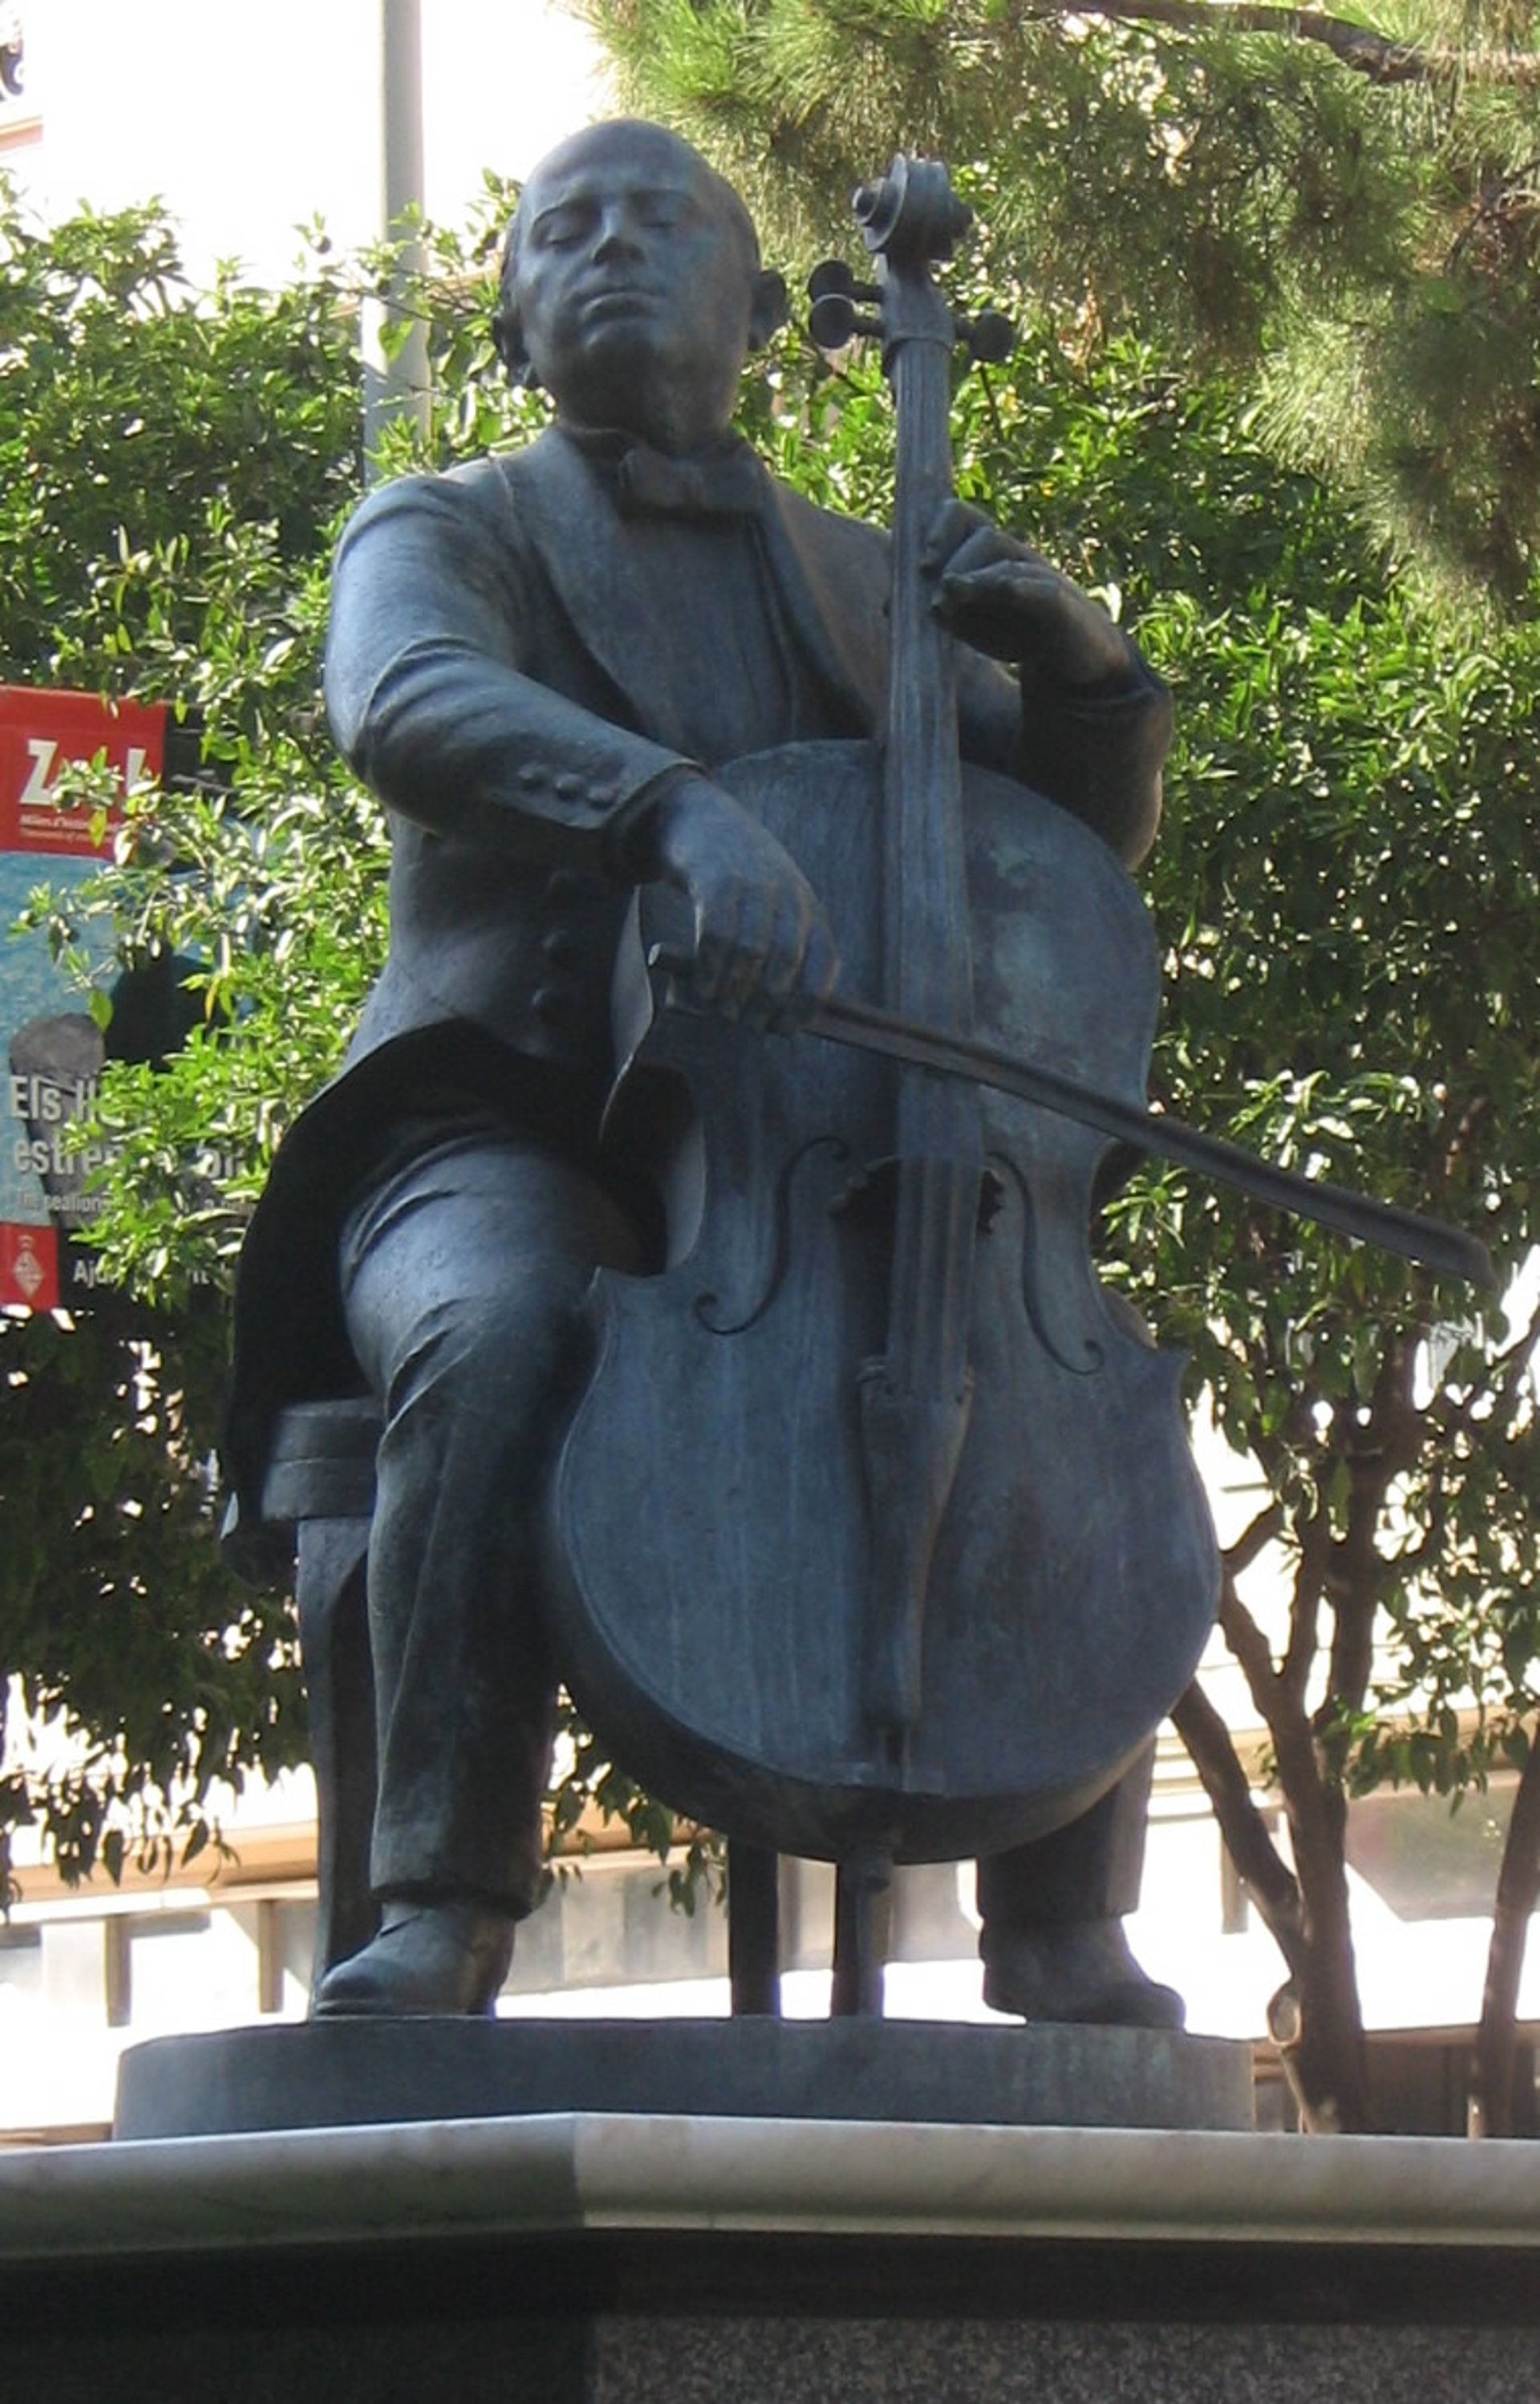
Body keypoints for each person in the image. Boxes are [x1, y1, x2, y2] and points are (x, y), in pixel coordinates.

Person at [225, 119, 1184, 2021]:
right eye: (563, 230)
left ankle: (1064, 1917)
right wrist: (664, 807)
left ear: (756, 309)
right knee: (497, 1336)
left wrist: (1089, 673)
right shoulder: (449, 523)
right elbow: (401, 699)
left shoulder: (861, 577)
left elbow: (1065, 842)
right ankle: (444, 1901)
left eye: (662, 221)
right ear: (512, 322)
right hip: (502, 1128)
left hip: (807, 1150)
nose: (611, 247)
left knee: (1032, 1367)